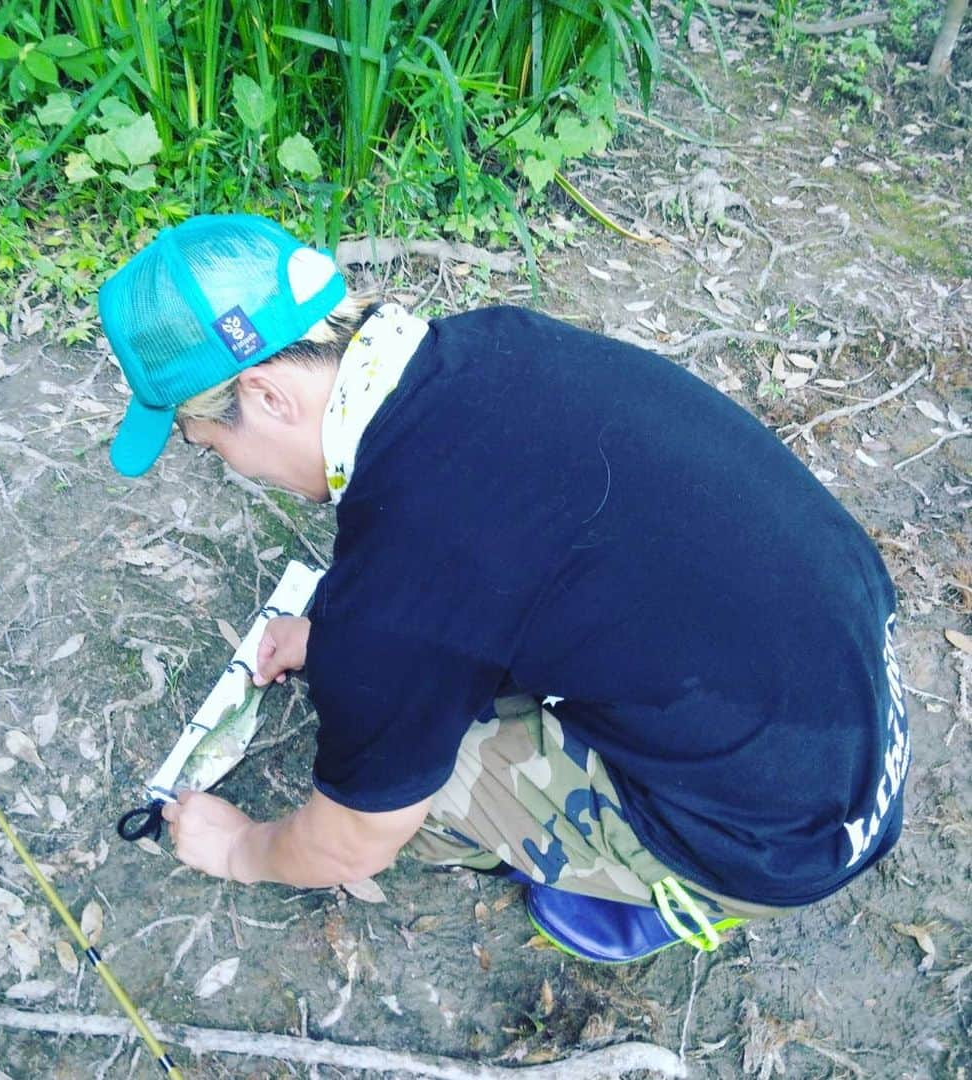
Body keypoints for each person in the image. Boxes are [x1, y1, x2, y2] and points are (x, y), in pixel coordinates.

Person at [97, 214, 910, 962]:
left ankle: (668, 891)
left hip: (779, 835)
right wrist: (341, 639)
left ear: (267, 396)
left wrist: (242, 849)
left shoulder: (405, 570)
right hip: (855, 695)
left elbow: (354, 838)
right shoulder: (493, 344)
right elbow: (516, 560)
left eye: (208, 445)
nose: (230, 468)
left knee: (422, 778)